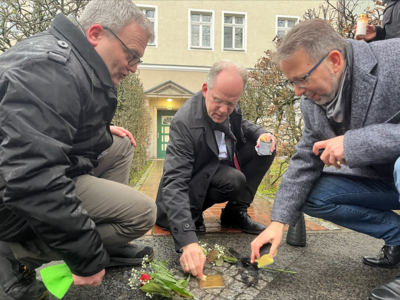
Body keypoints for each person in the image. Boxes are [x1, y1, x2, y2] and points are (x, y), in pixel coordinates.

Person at [0, 1, 157, 299]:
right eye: (131, 55)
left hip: (31, 172)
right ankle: (14, 254)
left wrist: (96, 129)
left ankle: (109, 244)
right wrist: (86, 257)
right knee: (142, 214)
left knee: (120, 145)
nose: (134, 68)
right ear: (96, 34)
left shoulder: (71, 60)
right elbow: (31, 178)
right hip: (12, 198)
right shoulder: (51, 69)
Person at [249, 19, 400, 300]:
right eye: (291, 82)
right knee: (312, 194)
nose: (297, 91)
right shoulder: (312, 102)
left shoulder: (395, 61)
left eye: (301, 79)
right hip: (386, 184)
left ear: (333, 61)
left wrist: (355, 143)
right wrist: (277, 223)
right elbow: (306, 157)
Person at [155, 60, 277, 279]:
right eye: (218, 101)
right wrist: (187, 240)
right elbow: (174, 183)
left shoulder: (228, 102)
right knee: (233, 179)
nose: (224, 110)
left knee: (266, 148)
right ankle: (193, 213)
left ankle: (234, 214)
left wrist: (262, 133)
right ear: (205, 90)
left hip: (213, 171)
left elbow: (239, 124)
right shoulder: (185, 123)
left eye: (231, 103)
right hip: (188, 189)